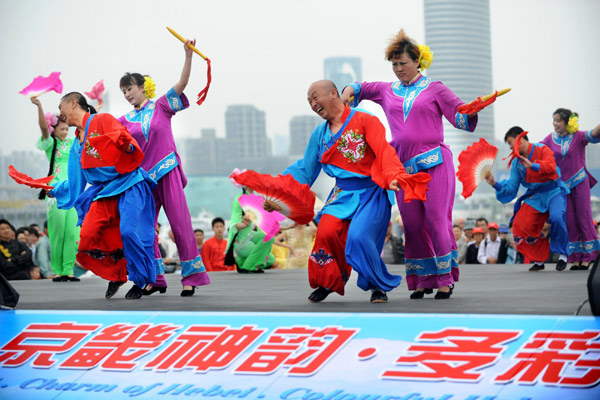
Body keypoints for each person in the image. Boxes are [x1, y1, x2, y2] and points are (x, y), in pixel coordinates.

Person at [341, 29, 479, 299]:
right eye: (394, 64)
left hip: (435, 164)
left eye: (403, 63)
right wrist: (346, 93)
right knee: (412, 224)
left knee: (437, 220)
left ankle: (445, 278)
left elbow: (459, 114)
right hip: (403, 170)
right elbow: (360, 88)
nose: (398, 69)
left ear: (417, 62)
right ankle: (422, 278)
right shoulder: (387, 90)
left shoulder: (435, 88)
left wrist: (472, 109)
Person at [280, 79, 430, 303]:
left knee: (359, 237)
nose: (312, 104)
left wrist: (394, 176)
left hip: (371, 192)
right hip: (342, 194)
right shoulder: (318, 135)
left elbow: (384, 152)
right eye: (309, 101)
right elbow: (304, 170)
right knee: (325, 232)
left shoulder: (365, 121)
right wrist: (277, 191)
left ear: (333, 93)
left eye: (315, 97)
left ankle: (377, 286)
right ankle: (331, 280)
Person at [118, 38, 209, 297]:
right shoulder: (123, 120)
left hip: (166, 171)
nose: (127, 94)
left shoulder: (161, 106)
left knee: (180, 225)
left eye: (130, 88)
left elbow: (182, 84)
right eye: (123, 91)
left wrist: (188, 56)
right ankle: (154, 278)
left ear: (142, 87)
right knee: (146, 230)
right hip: (142, 180)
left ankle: (190, 278)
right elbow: (105, 134)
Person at [49, 92, 156, 299]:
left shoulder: (102, 120)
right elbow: (76, 180)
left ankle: (140, 280)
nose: (60, 113)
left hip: (128, 183)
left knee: (128, 232)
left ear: (73, 103)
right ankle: (116, 274)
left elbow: (125, 140)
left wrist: (126, 144)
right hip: (104, 191)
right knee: (89, 235)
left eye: (61, 107)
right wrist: (54, 188)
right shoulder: (76, 144)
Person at [485, 127, 569, 272]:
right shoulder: (516, 164)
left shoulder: (542, 149)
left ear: (520, 138)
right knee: (520, 224)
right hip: (535, 196)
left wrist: (533, 166)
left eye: (511, 143)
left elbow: (551, 167)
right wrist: (494, 183)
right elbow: (511, 188)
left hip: (553, 191)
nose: (510, 147)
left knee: (556, 217)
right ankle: (538, 258)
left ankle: (563, 255)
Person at [540, 108, 600, 270]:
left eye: (558, 120)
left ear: (567, 122)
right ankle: (575, 258)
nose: (555, 123)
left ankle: (587, 258)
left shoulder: (578, 136)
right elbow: (536, 149)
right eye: (554, 120)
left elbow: (594, 133)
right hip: (563, 187)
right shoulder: (550, 139)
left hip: (580, 182)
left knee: (584, 219)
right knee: (570, 222)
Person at [31, 96, 81, 282]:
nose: (66, 131)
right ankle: (58, 271)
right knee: (58, 232)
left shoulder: (73, 143)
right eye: (62, 129)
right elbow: (44, 128)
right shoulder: (52, 144)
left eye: (67, 128)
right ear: (54, 130)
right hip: (55, 193)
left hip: (73, 191)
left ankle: (68, 270)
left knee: (71, 233)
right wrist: (39, 106)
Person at [226, 190, 276, 273]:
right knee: (262, 257)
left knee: (270, 259)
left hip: (250, 235)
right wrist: (244, 224)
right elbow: (233, 223)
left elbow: (267, 222)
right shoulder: (239, 199)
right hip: (241, 240)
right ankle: (248, 266)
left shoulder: (257, 199)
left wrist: (288, 227)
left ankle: (242, 263)